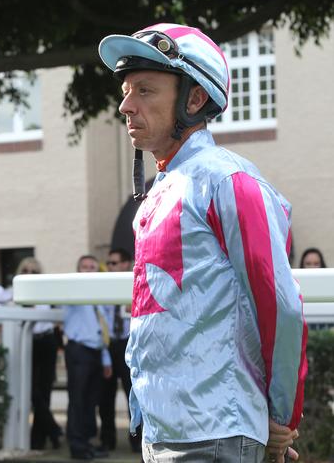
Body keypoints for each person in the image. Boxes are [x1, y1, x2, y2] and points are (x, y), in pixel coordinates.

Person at [98, 23, 307, 462]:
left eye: (145, 91)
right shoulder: (162, 188)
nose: (125, 105)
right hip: (163, 433)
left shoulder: (231, 180)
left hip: (216, 435)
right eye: (126, 90)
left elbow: (279, 304)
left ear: (194, 100)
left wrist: (283, 419)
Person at [11, 257, 63, 450]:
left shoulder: (46, 294)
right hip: (28, 342)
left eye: (34, 272)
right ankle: (54, 429)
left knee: (45, 389)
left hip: (47, 341)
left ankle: (39, 440)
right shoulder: (17, 294)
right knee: (33, 391)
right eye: (25, 270)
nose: (29, 274)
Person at [64, 255, 112, 460]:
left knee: (91, 401)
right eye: (85, 267)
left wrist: (106, 359)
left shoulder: (97, 298)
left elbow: (101, 330)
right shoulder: (73, 291)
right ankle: (77, 446)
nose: (89, 270)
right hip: (78, 350)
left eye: (93, 267)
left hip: (95, 352)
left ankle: (87, 443)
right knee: (77, 399)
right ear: (78, 270)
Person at [98, 248, 141, 454]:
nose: (110, 267)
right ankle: (107, 440)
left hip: (128, 342)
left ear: (126, 263)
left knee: (133, 394)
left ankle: (137, 440)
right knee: (105, 398)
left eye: (114, 263)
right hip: (109, 343)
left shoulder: (137, 280)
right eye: (109, 263)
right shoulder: (105, 285)